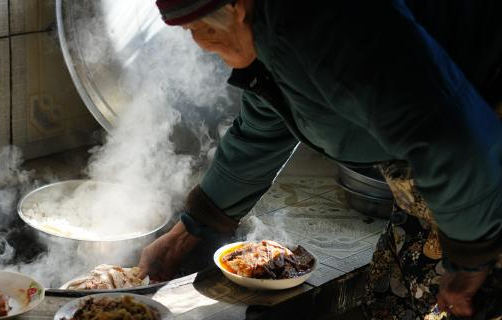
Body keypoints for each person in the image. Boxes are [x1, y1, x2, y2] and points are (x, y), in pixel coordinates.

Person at [138, 0, 502, 319]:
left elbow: (451, 137)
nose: (196, 41)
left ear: (236, 7)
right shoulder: (268, 31)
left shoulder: (329, 23)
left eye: (195, 27)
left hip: (483, 168)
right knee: (394, 294)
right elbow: (265, 126)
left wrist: (472, 256)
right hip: (452, 173)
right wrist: (190, 230)